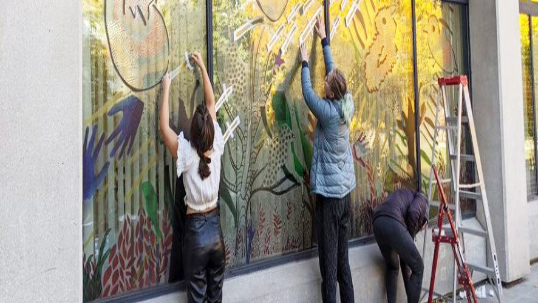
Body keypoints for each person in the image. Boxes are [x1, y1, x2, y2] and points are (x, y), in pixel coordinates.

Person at [160, 52, 225, 303]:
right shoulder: (217, 143)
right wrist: (203, 68)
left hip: (196, 234)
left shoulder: (185, 153)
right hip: (216, 233)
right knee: (215, 298)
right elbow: (211, 103)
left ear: (192, 133)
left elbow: (164, 126)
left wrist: (166, 88)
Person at [300, 15, 356, 303]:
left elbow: (308, 95)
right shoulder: (346, 104)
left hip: (331, 201)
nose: (325, 81)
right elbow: (335, 73)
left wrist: (304, 63)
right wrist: (324, 40)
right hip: (345, 195)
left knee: (329, 268)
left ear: (331, 93)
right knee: (343, 265)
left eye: (327, 83)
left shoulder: (330, 114)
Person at [372, 189, 429, 303]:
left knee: (393, 267)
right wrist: (410, 237)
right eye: (423, 226)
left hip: (378, 223)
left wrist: (410, 292)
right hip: (393, 221)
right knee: (419, 268)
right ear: (425, 219)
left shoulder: (403, 196)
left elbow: (405, 260)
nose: (422, 229)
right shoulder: (422, 200)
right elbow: (413, 211)